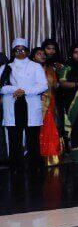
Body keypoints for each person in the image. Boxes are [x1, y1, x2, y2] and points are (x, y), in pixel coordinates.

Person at [1, 38, 47, 171]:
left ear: (27, 51)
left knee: (32, 136)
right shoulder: (5, 67)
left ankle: (35, 165)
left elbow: (43, 85)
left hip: (30, 103)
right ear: (13, 52)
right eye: (17, 50)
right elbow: (1, 87)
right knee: (14, 136)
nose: (20, 52)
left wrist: (24, 91)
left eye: (23, 50)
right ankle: (16, 165)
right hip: (12, 104)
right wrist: (14, 89)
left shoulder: (35, 66)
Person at [31, 47, 63, 166]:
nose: (42, 55)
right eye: (39, 54)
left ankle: (53, 155)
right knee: (39, 129)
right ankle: (40, 156)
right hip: (36, 102)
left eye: (43, 54)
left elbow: (55, 85)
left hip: (51, 102)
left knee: (52, 127)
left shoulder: (50, 69)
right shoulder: (30, 69)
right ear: (33, 57)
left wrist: (60, 76)